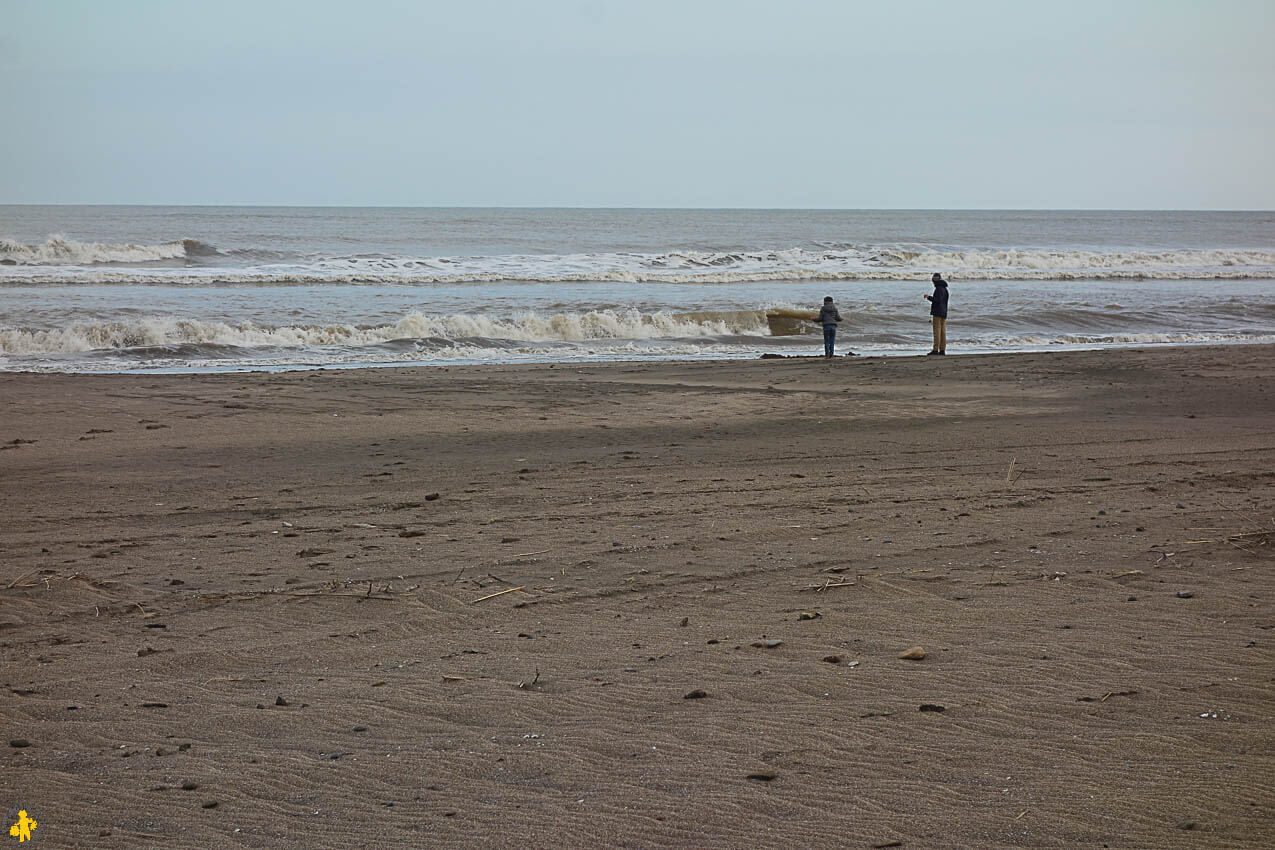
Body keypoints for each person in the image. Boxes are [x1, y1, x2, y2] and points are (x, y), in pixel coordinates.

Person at [924, 272, 949, 355]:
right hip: (944, 312)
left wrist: (928, 297)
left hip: (937, 312)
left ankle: (935, 350)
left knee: (936, 331)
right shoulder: (945, 289)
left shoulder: (938, 289)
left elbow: (937, 300)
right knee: (943, 332)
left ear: (934, 281)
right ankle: (942, 350)